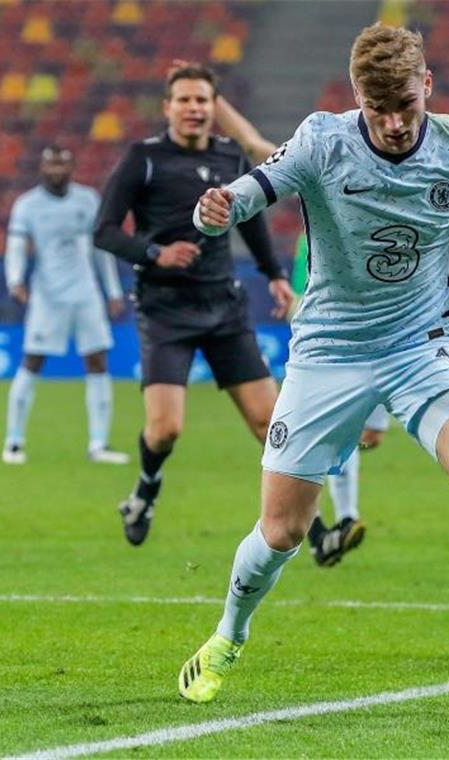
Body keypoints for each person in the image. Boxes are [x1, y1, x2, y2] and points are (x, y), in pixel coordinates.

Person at [176, 23, 449, 703]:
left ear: (428, 87)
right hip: (327, 352)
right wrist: (216, 212)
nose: (392, 123)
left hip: (421, 345)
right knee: (284, 529)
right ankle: (228, 636)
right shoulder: (325, 138)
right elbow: (258, 187)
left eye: (405, 105)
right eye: (377, 108)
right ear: (357, 97)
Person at [213, 94, 449, 568]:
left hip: (396, 322)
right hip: (323, 315)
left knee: (369, 433)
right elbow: (251, 145)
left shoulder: (429, 162)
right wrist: (218, 100)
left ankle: (344, 515)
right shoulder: (314, 151)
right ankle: (343, 516)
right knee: (338, 431)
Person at [94, 63, 294, 547]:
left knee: (271, 425)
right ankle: (145, 490)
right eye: (183, 100)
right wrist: (155, 253)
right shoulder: (142, 158)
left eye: (202, 100)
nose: (193, 108)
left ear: (213, 108)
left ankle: (310, 522)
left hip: (223, 305)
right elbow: (102, 230)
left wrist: (274, 275)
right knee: (164, 431)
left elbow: (250, 222)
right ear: (168, 108)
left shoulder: (230, 156)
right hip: (165, 309)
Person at [2, 145, 128, 466]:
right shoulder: (27, 205)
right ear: (42, 168)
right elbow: (16, 245)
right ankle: (14, 441)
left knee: (98, 361)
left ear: (72, 167)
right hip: (48, 295)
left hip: (86, 294)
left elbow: (101, 250)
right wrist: (15, 280)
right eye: (51, 164)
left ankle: (98, 444)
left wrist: (112, 291)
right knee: (32, 360)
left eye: (62, 164)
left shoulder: (87, 199)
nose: (56, 170)